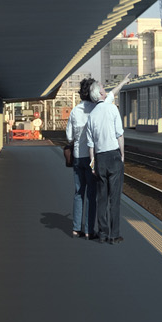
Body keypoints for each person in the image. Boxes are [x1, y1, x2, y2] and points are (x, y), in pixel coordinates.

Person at [86, 80, 127, 243]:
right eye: (103, 88)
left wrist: (92, 164)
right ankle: (114, 235)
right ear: (101, 94)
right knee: (114, 199)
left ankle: (103, 234)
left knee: (101, 198)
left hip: (100, 158)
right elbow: (119, 134)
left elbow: (91, 145)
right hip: (114, 156)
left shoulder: (92, 116)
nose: (104, 89)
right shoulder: (112, 109)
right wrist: (122, 155)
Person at [66, 80, 98, 238]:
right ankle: (89, 230)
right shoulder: (96, 110)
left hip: (78, 157)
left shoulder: (75, 111)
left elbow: (69, 136)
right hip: (92, 158)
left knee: (79, 192)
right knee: (92, 194)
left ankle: (76, 228)